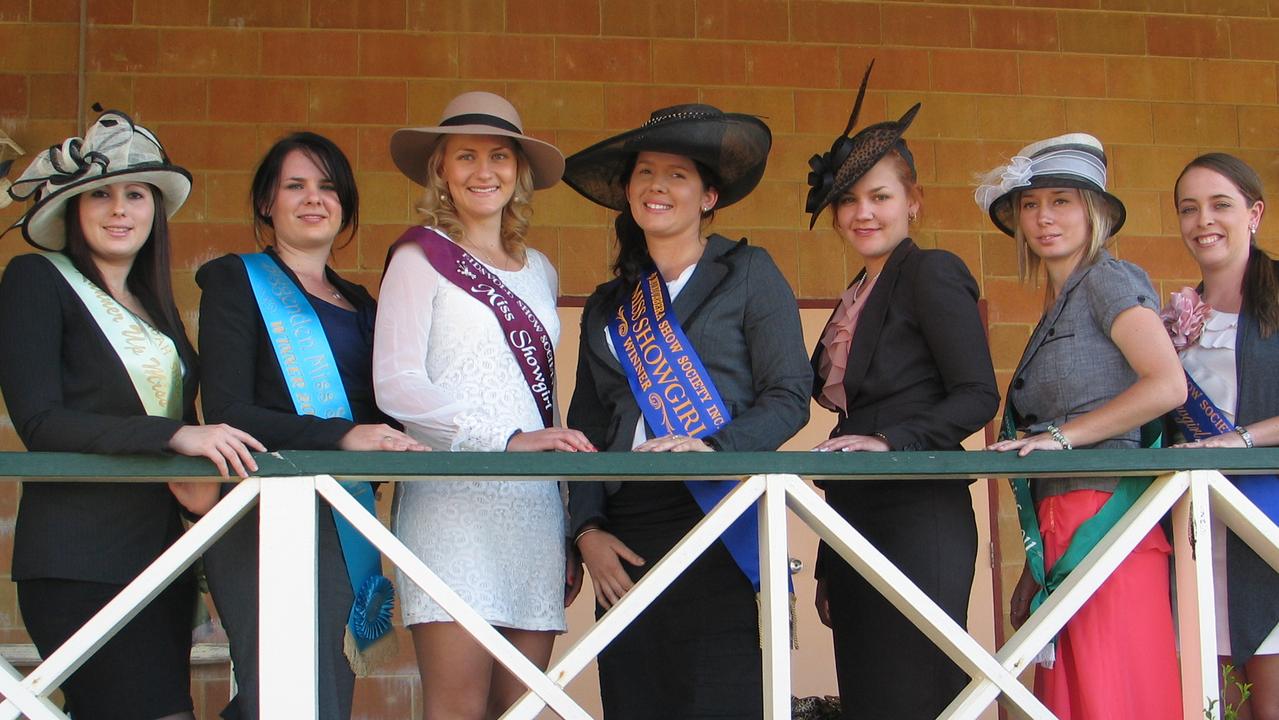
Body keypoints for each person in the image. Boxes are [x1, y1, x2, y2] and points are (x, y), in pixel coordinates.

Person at [0, 110, 263, 719]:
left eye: (135, 194)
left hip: (162, 555)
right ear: (71, 208)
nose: (119, 209)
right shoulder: (36, 279)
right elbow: (41, 424)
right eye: (100, 194)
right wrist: (177, 435)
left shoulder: (155, 304)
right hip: (79, 561)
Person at [562, 102, 811, 719]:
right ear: (628, 192)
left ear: (708, 196)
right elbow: (586, 430)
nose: (658, 186)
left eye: (677, 174)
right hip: (627, 527)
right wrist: (587, 531)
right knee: (635, 695)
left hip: (717, 511)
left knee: (719, 697)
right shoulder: (607, 304)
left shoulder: (749, 272)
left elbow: (789, 396)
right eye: (646, 172)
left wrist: (715, 448)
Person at [374, 91, 591, 720]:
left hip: (531, 512)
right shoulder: (419, 258)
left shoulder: (541, 270)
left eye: (499, 156)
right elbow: (396, 384)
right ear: (440, 169)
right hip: (451, 507)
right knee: (458, 710)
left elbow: (542, 402)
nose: (483, 170)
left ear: (519, 172)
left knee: (520, 710)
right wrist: (502, 438)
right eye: (465, 156)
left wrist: (568, 513)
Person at [196, 132, 424, 719]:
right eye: (294, 186)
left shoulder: (362, 302)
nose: (313, 198)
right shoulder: (234, 281)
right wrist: (341, 436)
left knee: (326, 686)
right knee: (279, 687)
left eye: (327, 187)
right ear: (267, 203)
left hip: (344, 511)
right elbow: (226, 412)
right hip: (262, 512)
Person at [804, 64, 1000, 719]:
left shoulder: (931, 271)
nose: (863, 212)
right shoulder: (855, 293)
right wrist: (829, 557)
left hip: (918, 511)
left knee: (914, 693)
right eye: (849, 199)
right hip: (856, 515)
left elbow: (977, 396)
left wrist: (891, 441)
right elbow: (845, 430)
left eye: (880, 196)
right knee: (867, 696)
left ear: (912, 200)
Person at [978, 133, 1186, 719]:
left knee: (1112, 694)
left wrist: (1065, 437)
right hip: (1059, 521)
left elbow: (1166, 385)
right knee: (1069, 699)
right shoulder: (1058, 301)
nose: (1044, 218)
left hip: (1109, 517)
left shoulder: (1108, 280)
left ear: (1094, 211)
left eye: (1062, 201)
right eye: (1030, 204)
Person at [1168, 153, 1279, 720]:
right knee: (1212, 704)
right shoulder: (1176, 314)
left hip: (1268, 520)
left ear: (1254, 213)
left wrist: (1238, 440)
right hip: (1199, 527)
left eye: (1219, 205)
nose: (1202, 220)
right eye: (1189, 209)